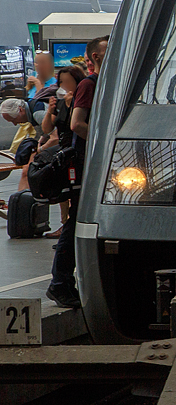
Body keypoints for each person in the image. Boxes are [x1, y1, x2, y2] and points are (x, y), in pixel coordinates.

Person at [47, 35, 107, 308]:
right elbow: (77, 124)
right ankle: (60, 283)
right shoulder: (89, 84)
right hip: (86, 163)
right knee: (76, 222)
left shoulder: (106, 82)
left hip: (96, 163)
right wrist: (103, 144)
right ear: (95, 56)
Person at [40, 66, 85, 238]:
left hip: (77, 149)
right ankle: (64, 224)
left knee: (74, 190)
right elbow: (47, 127)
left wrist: (71, 104)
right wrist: (51, 110)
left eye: (67, 82)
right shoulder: (59, 101)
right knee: (62, 188)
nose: (64, 85)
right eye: (61, 82)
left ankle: (70, 227)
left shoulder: (80, 101)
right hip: (63, 148)